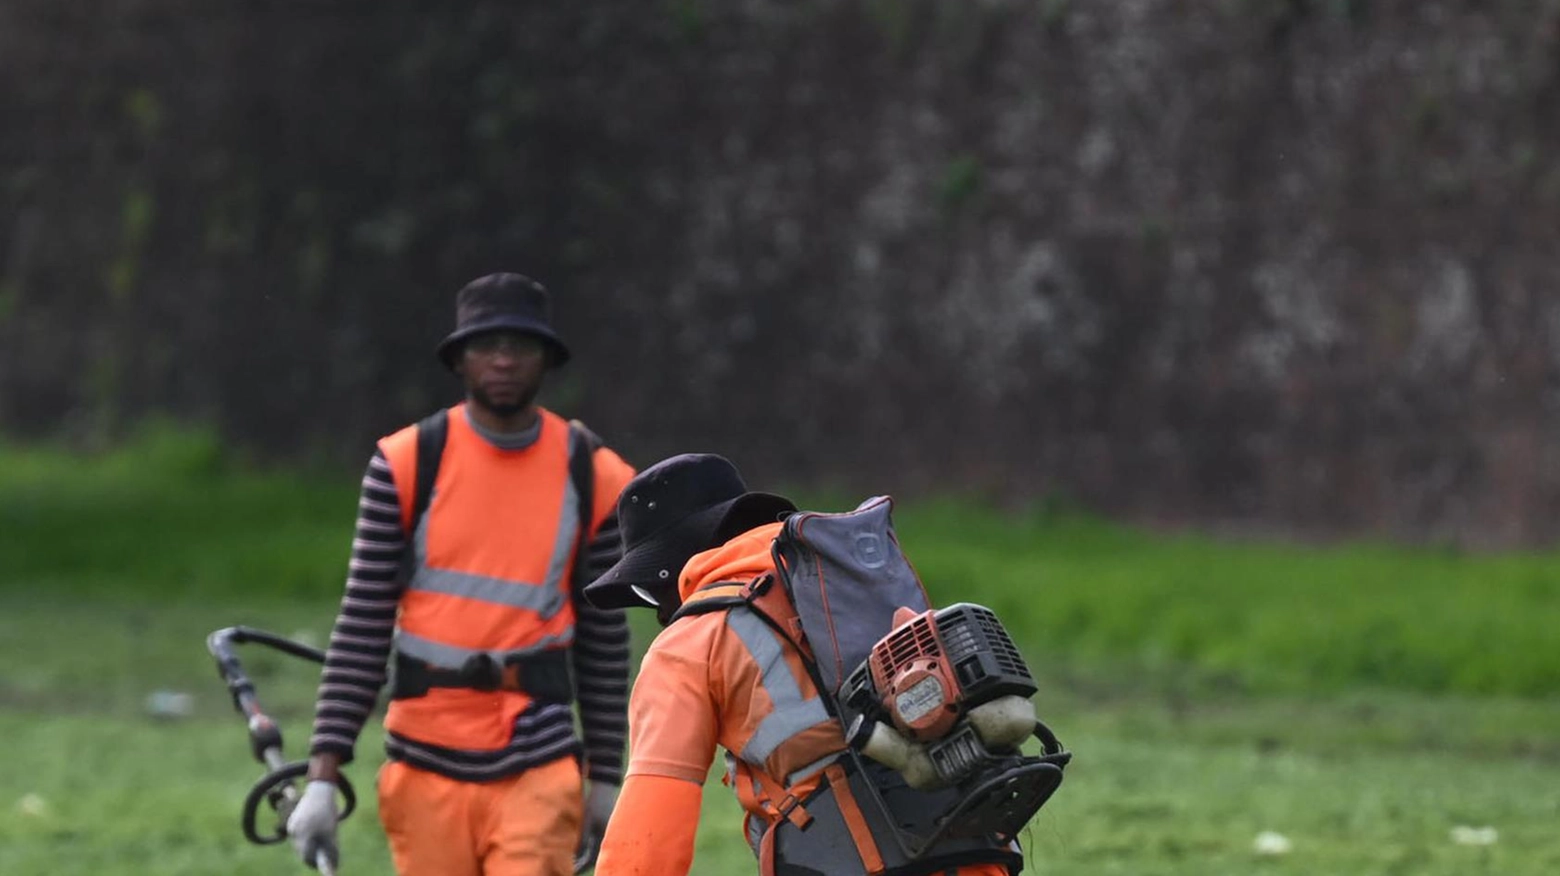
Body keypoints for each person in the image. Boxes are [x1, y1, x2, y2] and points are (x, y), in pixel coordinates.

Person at [287, 273, 637, 876]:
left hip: (539, 761)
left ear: (547, 359)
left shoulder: (594, 473)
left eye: (521, 346)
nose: (503, 360)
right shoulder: (404, 464)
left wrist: (606, 779)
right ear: (459, 359)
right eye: (486, 345)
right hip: (423, 763)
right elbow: (364, 624)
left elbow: (605, 642)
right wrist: (323, 775)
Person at [582, 454, 1026, 876]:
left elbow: (648, 837)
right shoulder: (855, 587)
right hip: (981, 854)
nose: (659, 611)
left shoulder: (688, 642)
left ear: (671, 564)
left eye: (646, 591)